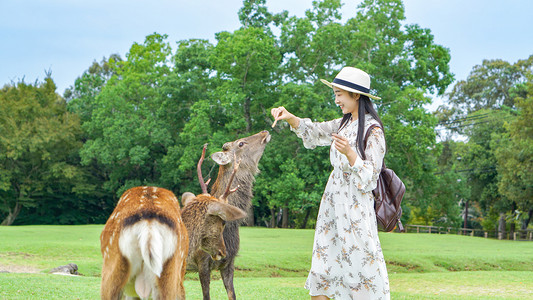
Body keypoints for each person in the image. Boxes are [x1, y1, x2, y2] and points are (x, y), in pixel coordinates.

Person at [271, 67, 390, 300]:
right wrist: (290, 117)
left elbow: (370, 176)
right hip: (332, 206)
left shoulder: (373, 131)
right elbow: (314, 132)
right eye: (335, 94)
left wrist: (350, 153)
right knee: (323, 266)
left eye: (339, 94)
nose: (336, 100)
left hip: (355, 209)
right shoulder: (343, 124)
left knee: (360, 267)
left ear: (356, 96)